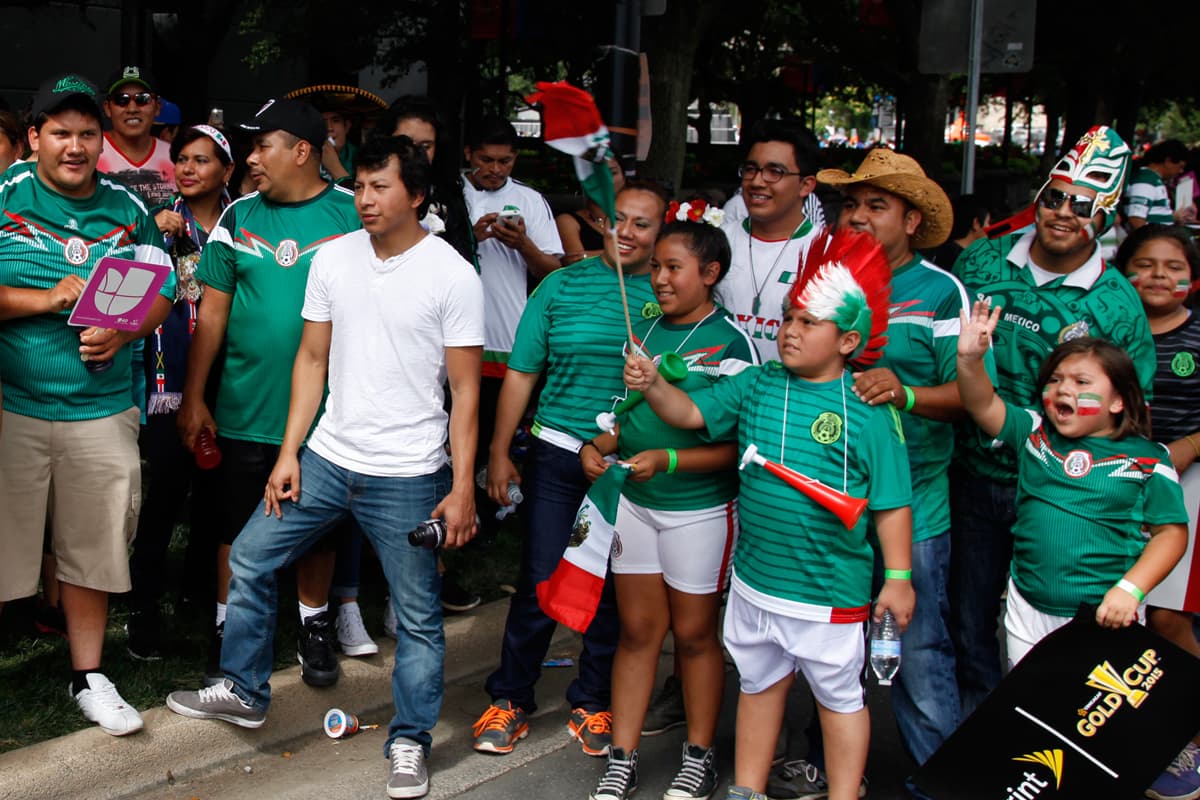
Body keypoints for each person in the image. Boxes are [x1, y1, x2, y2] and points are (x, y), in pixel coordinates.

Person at [166, 134, 483, 800]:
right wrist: (290, 454)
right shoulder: (334, 258)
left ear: (417, 196)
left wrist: (460, 489)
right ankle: (244, 689)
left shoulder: (452, 274)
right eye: (360, 185)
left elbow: (466, 392)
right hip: (328, 458)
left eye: (380, 188)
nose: (364, 200)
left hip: (408, 474)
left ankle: (408, 742)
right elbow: (311, 362)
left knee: (420, 620)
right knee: (251, 558)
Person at [624, 228, 914, 800]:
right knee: (757, 686)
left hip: (827, 591)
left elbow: (892, 503)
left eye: (809, 322)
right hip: (756, 583)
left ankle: (844, 793)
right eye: (788, 318)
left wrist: (899, 579)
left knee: (839, 698)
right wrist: (654, 383)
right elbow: (686, 412)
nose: (791, 331)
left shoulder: (869, 409)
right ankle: (746, 790)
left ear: (849, 339)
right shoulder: (755, 383)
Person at [949, 125, 1157, 717]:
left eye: (1084, 205)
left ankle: (1051, 740)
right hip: (972, 475)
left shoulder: (1116, 304)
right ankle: (982, 747)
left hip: (1064, 494)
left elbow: (1134, 416)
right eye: (1054, 196)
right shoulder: (983, 259)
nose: (1064, 212)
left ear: (1108, 218)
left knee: (1060, 635)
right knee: (968, 623)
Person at [801, 148, 983, 788]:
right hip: (826, 498)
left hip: (915, 501)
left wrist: (903, 392)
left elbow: (971, 398)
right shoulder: (825, 279)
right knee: (825, 643)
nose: (857, 216)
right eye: (850, 204)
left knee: (919, 644)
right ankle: (824, 765)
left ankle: (943, 779)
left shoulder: (940, 291)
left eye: (876, 206)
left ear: (911, 222)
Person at [0, 73, 175, 735]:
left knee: (93, 548)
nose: (75, 146)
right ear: (35, 137)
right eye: (61, 132)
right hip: (12, 403)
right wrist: (46, 300)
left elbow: (160, 289)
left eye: (86, 133)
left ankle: (89, 676)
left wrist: (126, 329)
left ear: (102, 138)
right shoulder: (4, 198)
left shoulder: (127, 211)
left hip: (101, 408)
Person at [956, 304, 1190, 798]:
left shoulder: (1149, 461)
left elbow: (1171, 533)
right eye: (1056, 378)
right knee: (1037, 716)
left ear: (1120, 401)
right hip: (1027, 608)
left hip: (1104, 618)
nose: (1063, 389)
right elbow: (981, 404)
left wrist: (1130, 590)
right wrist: (970, 359)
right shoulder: (1034, 434)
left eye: (1082, 382)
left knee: (1099, 732)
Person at [471, 181, 667, 758]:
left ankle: (593, 700)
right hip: (557, 453)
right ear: (601, 222)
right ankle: (509, 697)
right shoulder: (560, 284)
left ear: (662, 234)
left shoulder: (668, 296)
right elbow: (523, 373)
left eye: (643, 224)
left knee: (614, 586)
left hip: (629, 464)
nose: (627, 233)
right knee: (540, 578)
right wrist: (500, 450)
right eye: (619, 220)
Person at [176, 98, 360, 686]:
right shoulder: (238, 218)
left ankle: (314, 625)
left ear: (302, 151)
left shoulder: (352, 217)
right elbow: (212, 317)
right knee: (234, 528)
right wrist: (195, 396)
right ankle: (230, 628)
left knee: (318, 528)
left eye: (262, 146)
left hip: (325, 416)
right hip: (242, 409)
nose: (251, 158)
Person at [583, 203, 759, 800]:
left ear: (710, 273)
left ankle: (699, 755)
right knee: (637, 631)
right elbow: (626, 416)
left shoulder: (732, 343)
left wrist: (672, 460)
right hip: (633, 498)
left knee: (693, 636)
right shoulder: (648, 329)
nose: (659, 278)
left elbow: (739, 449)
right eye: (656, 266)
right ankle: (622, 757)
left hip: (700, 508)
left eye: (674, 267)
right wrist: (599, 444)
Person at [125, 124, 234, 659]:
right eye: (183, 160)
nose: (189, 169)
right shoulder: (159, 223)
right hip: (169, 382)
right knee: (164, 494)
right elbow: (127, 292)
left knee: (217, 498)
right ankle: (143, 609)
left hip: (231, 378)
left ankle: (200, 598)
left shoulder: (242, 224)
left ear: (226, 171)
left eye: (203, 160)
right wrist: (151, 234)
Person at [1116, 225, 1200, 800]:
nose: (1159, 277)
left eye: (1174, 267)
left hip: (1185, 480)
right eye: (1144, 265)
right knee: (1114, 614)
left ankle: (1183, 737)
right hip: (1108, 482)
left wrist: (1173, 457)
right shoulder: (1107, 330)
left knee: (1169, 619)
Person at [716, 118, 823, 363]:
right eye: (751, 169)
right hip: (718, 393)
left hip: (789, 396)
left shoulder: (826, 252)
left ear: (806, 185)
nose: (756, 181)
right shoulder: (716, 242)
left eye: (775, 172)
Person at [96, 66, 177, 233]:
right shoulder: (89, 151)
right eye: (121, 99)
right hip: (108, 257)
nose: (132, 108)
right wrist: (149, 226)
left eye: (142, 99)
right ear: (107, 108)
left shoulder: (176, 157)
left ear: (157, 107)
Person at [556, 157, 626, 265]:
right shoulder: (568, 221)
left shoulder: (636, 218)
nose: (606, 179)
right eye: (597, 174)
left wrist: (592, 255)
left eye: (613, 172)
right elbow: (577, 264)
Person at [1125, 140, 1196, 229]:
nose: (1181, 171)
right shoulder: (1146, 181)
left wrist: (1173, 217)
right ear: (1168, 161)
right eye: (1180, 166)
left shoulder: (1154, 180)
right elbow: (1136, 219)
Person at [924, 194, 991, 269]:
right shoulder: (957, 256)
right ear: (976, 223)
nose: (989, 227)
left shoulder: (946, 250)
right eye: (988, 222)